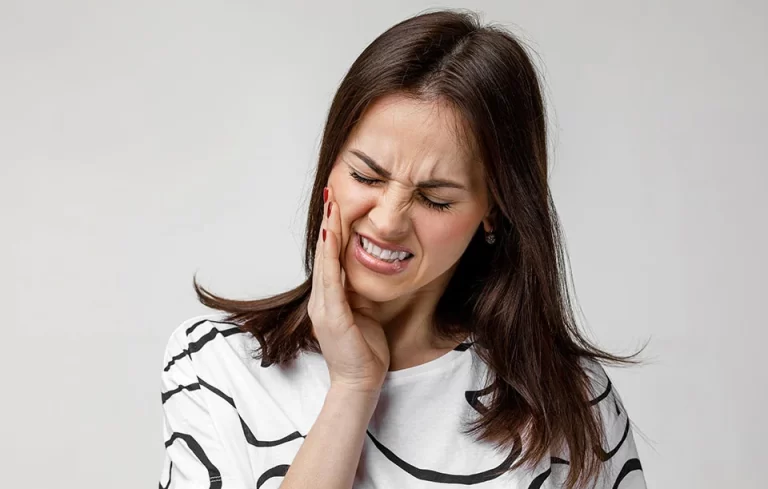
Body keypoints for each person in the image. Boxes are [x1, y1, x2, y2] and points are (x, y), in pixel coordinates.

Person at [158, 8, 649, 489]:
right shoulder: (215, 364)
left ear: (493, 210)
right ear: (329, 167)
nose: (387, 220)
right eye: (365, 175)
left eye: (435, 199)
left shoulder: (571, 401)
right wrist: (353, 387)